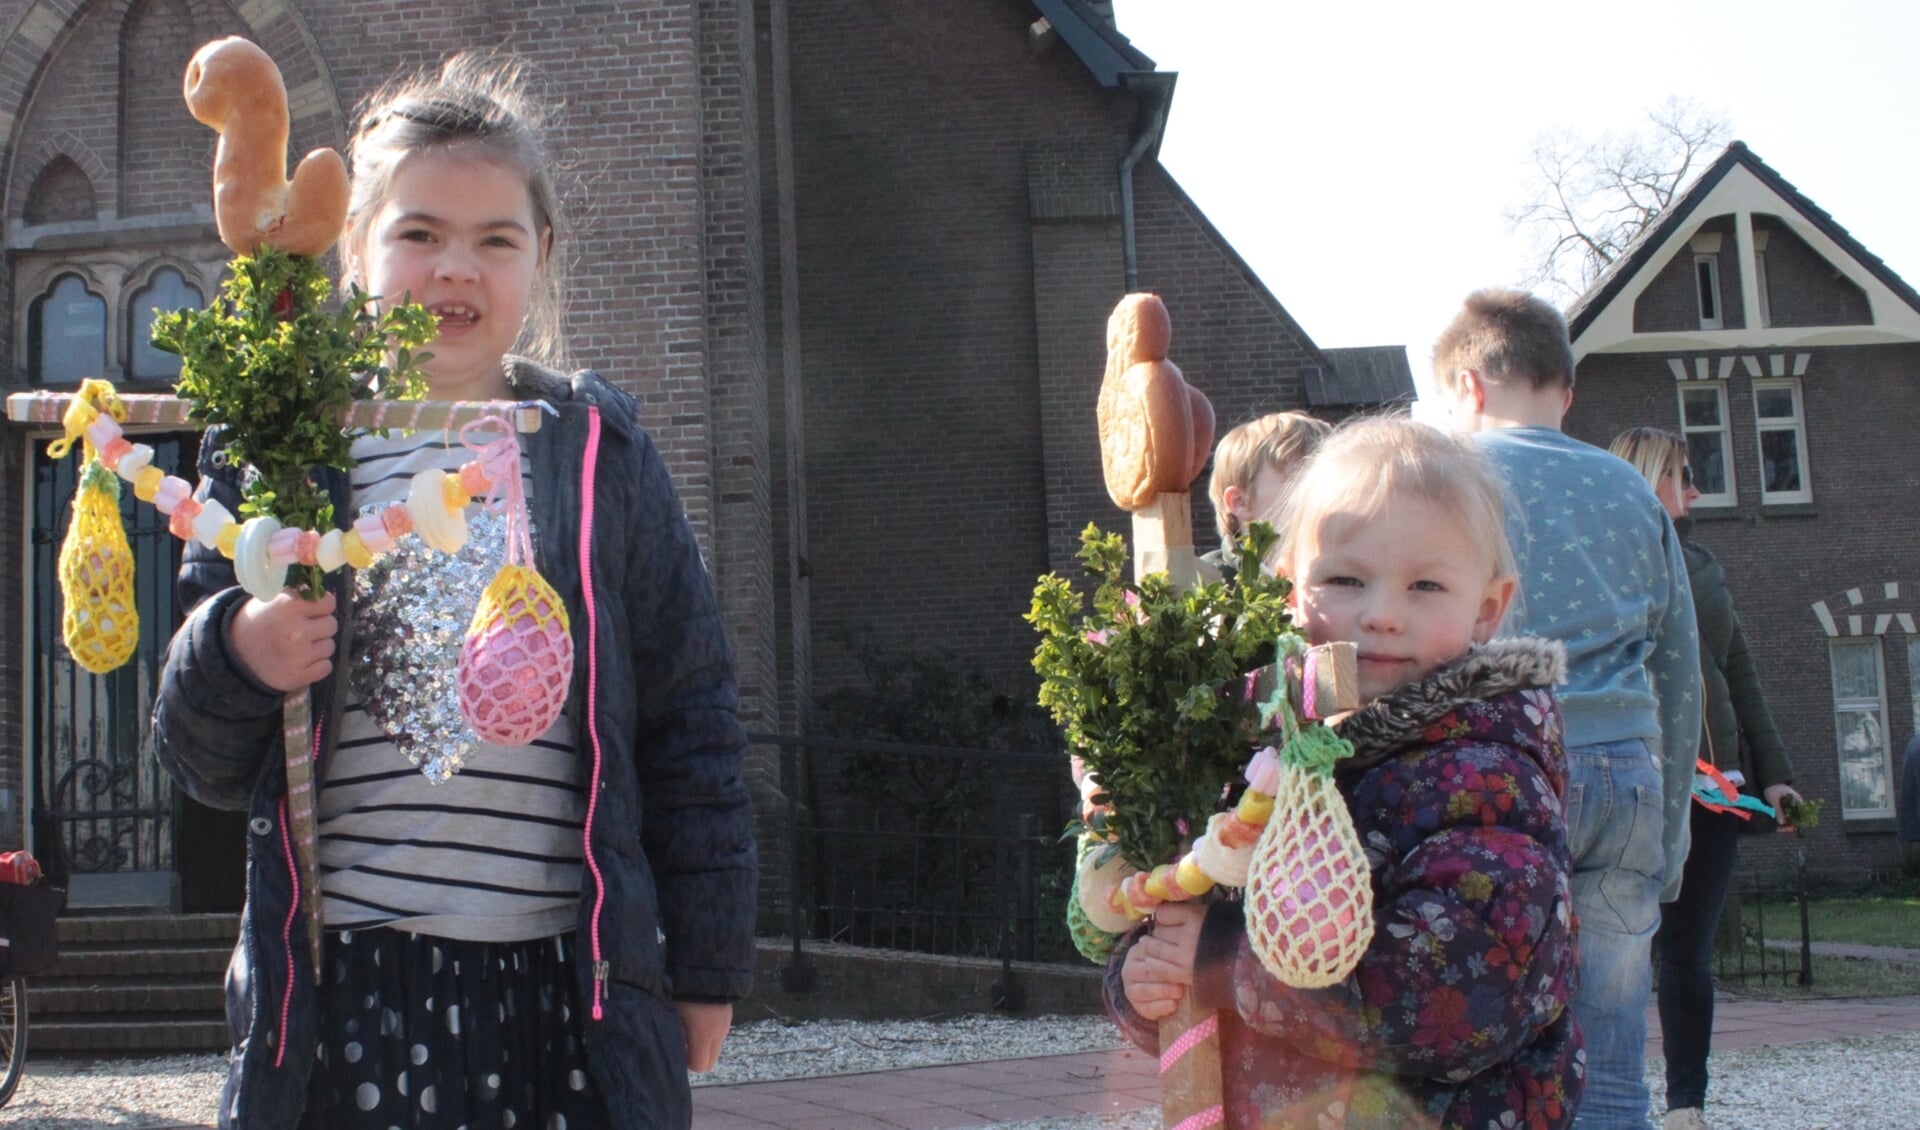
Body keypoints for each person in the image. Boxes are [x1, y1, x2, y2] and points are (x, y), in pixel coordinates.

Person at [151, 52, 756, 1130]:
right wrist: (240, 648)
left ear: (543, 257)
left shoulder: (598, 458)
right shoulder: (289, 455)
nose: (455, 269)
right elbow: (197, 757)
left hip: (568, 991)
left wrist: (701, 963)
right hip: (344, 996)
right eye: (419, 233)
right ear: (354, 249)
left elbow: (691, 715)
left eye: (495, 239)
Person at [1109, 416, 1582, 1128]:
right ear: (1290, 591)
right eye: (1345, 579)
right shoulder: (1265, 752)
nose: (1382, 614)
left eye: (1425, 585)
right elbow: (1192, 894)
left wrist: (1225, 962)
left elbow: (1462, 996)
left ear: (1488, 608)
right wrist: (1144, 977)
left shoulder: (1485, 774)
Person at [1434, 288, 1703, 1130]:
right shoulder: (1629, 489)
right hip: (1626, 771)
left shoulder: (1451, 483)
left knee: (1491, 1031)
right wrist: (1676, 833)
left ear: (1469, 386)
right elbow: (1681, 665)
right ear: (1568, 390)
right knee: (1615, 1050)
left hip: (1504, 775)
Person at [1610, 427, 1803, 1130]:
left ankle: (1686, 1103)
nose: (1696, 489)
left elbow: (1741, 672)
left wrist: (1776, 776)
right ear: (1647, 477)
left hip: (1715, 788)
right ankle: (1612, 1091)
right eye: (1683, 475)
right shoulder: (1606, 564)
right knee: (1620, 950)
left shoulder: (1703, 564)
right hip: (1633, 782)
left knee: (1688, 952)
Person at [1200, 411, 1330, 578]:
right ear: (1240, 502)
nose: (1325, 494)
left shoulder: (1351, 573)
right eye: (1300, 481)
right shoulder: (1207, 583)